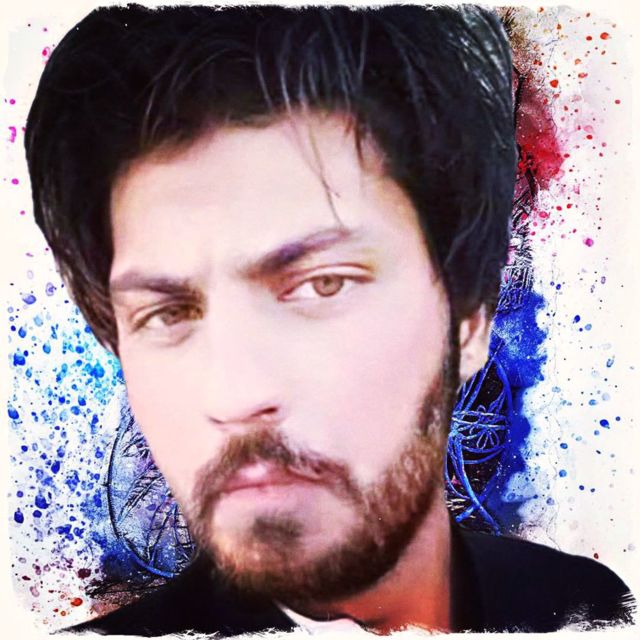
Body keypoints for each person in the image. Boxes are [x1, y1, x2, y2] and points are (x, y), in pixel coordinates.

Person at [24, 3, 633, 636]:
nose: (234, 395)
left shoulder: (586, 608)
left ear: (469, 317)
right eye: (166, 312)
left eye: (322, 284)